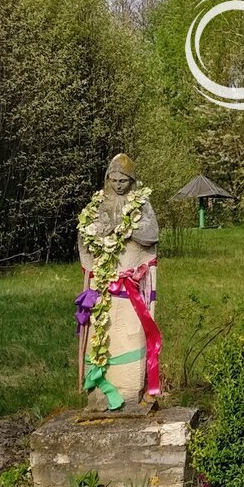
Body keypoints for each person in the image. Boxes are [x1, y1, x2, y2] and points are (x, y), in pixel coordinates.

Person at [73, 153, 161, 412]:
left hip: (129, 288)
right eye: (114, 179)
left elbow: (152, 234)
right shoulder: (98, 204)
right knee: (103, 338)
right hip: (102, 288)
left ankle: (130, 392)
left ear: (131, 181)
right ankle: (100, 393)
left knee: (131, 337)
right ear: (107, 179)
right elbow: (84, 237)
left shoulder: (140, 203)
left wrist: (125, 226)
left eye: (124, 180)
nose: (119, 185)